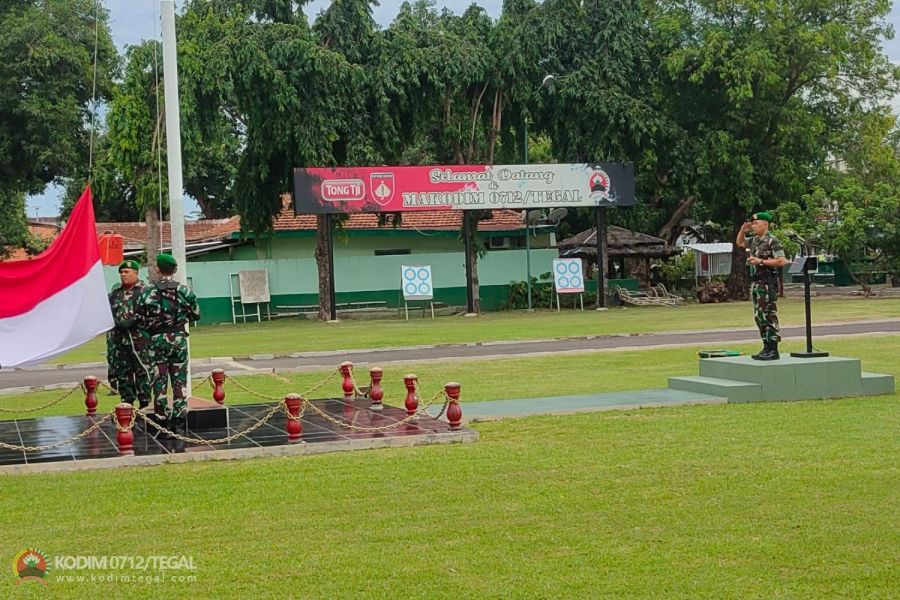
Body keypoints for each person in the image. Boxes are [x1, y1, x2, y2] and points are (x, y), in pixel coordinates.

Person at [135, 253, 201, 436]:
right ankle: (179, 418)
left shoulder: (147, 292)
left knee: (159, 379)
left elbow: (139, 318)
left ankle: (162, 418)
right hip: (178, 339)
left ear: (158, 269)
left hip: (156, 340)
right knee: (179, 380)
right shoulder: (184, 291)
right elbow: (196, 314)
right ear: (175, 270)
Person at [736, 211, 788, 360]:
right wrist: (742, 230)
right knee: (759, 316)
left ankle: (773, 348)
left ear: (765, 224)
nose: (753, 226)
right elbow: (740, 243)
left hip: (767, 283)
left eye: (756, 223)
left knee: (768, 315)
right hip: (756, 282)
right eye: (752, 223)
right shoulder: (755, 241)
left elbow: (781, 261)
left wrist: (761, 262)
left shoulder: (772, 241)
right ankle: (766, 347)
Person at [107, 260, 151, 407]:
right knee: (123, 375)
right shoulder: (115, 293)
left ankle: (145, 403)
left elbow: (152, 313)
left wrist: (135, 320)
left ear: (136, 273)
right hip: (120, 342)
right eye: (121, 272)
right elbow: (108, 313)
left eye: (127, 272)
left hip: (140, 341)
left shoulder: (146, 291)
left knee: (142, 372)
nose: (123, 275)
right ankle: (127, 404)